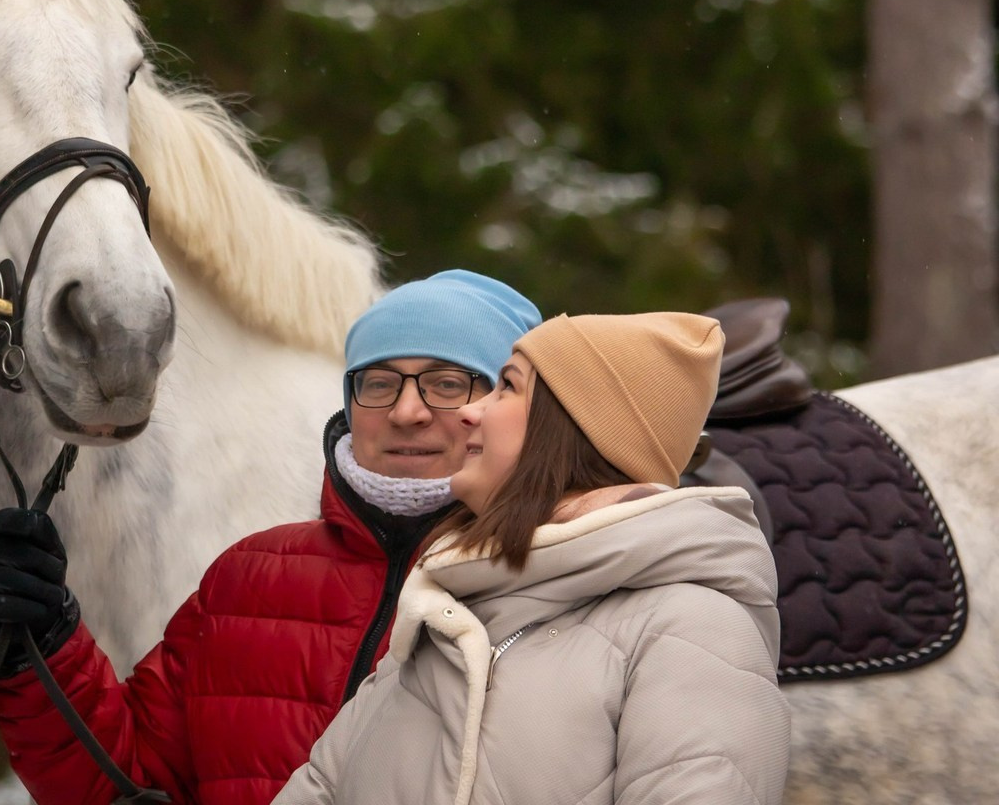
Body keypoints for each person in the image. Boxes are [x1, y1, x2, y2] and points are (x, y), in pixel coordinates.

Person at [0, 269, 541, 805]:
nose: (407, 410)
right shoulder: (248, 580)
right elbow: (129, 779)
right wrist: (40, 644)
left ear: (505, 409)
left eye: (446, 382)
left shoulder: (561, 583)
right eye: (379, 382)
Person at [273, 312, 791, 805]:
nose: (471, 410)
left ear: (572, 429)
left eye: (508, 386)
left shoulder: (694, 629)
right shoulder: (445, 615)